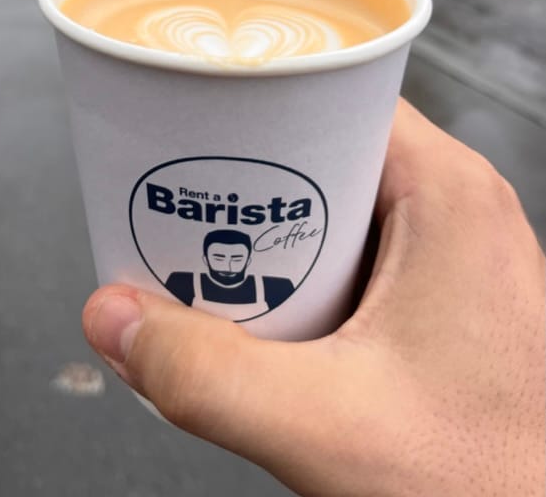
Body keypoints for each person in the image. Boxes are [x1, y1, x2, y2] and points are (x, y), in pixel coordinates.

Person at [83, 100, 545, 496]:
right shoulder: (184, 280)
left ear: (248, 256)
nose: (225, 263)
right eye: (217, 254)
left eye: (234, 254)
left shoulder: (275, 288)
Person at [164, 228, 294, 318]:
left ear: (248, 261)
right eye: (218, 258)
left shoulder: (275, 288)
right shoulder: (181, 282)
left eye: (237, 259)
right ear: (205, 259)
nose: (228, 267)